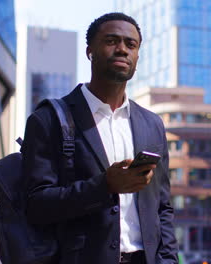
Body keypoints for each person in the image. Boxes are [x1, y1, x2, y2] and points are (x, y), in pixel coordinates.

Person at [22, 12, 178, 264]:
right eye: (111, 41)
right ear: (89, 51)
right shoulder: (49, 119)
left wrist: (168, 260)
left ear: (137, 56)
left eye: (131, 44)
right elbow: (36, 205)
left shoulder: (152, 125)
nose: (122, 50)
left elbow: (162, 207)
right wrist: (104, 186)